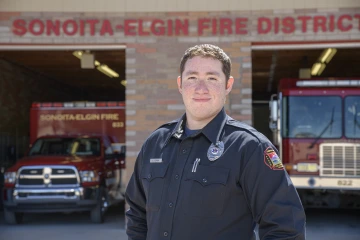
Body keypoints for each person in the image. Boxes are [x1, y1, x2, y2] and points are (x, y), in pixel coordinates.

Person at [125, 44, 306, 240]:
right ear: (180, 84)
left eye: (212, 78)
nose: (200, 88)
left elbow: (286, 228)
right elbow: (137, 214)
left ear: (227, 85)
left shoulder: (250, 148)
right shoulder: (155, 144)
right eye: (192, 78)